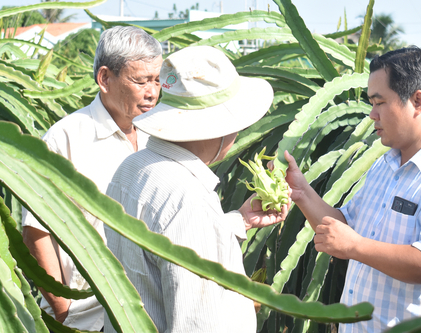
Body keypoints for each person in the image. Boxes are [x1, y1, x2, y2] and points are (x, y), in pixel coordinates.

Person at [282, 46, 421, 332]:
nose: (371, 115)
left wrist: (355, 246)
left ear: (417, 101)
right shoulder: (384, 166)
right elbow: (344, 226)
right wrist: (301, 191)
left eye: (379, 102)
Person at [104, 45, 289, 333]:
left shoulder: (131, 166)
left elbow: (165, 246)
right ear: (218, 127)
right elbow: (196, 321)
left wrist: (238, 221)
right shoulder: (188, 198)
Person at [21, 26, 163, 331]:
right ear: (104, 79)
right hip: (86, 317)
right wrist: (64, 309)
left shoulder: (160, 135)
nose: (152, 92)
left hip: (150, 312)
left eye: (156, 80)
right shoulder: (66, 138)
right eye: (140, 81)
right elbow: (36, 229)